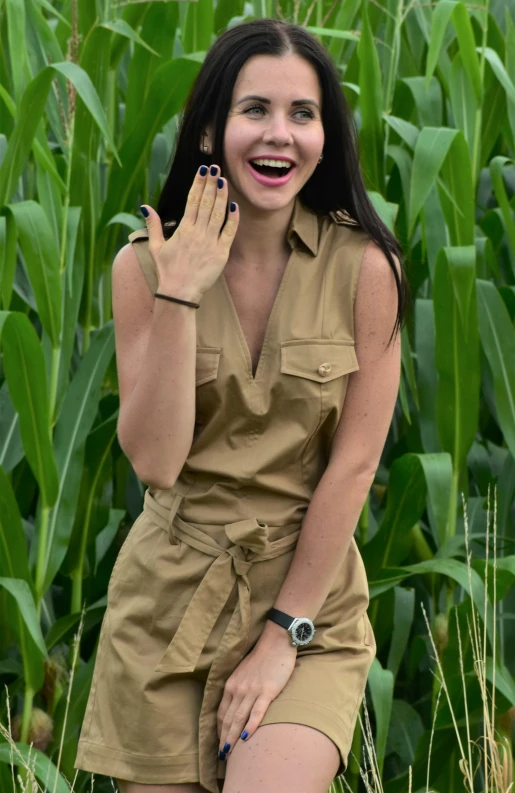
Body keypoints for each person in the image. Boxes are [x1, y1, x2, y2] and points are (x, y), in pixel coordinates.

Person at [74, 17, 409, 793]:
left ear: (327, 135)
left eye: (303, 113)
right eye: (255, 109)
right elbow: (156, 462)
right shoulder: (139, 267)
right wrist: (180, 292)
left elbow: (354, 464)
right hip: (168, 600)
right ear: (208, 131)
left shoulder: (366, 270)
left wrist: (283, 633)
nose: (280, 135)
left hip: (306, 596)